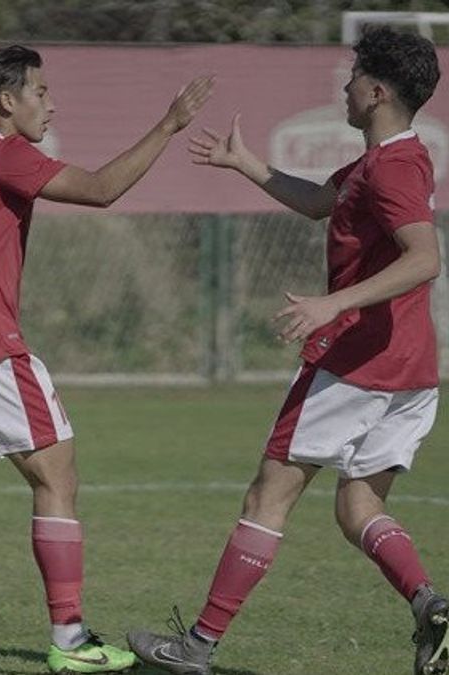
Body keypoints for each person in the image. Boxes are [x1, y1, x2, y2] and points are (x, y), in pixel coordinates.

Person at [0, 44, 213, 675]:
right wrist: (168, 125)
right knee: (57, 476)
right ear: (8, 100)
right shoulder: (3, 155)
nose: (51, 104)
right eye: (42, 92)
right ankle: (71, 642)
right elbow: (102, 190)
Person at [128, 26, 448, 675]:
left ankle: (199, 645)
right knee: (359, 506)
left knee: (265, 499)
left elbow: (426, 256)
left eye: (354, 75)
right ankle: (431, 606)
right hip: (412, 370)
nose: (345, 85)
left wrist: (334, 302)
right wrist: (247, 164)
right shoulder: (391, 159)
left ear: (378, 90)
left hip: (358, 364)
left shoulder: (388, 168)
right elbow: (319, 203)